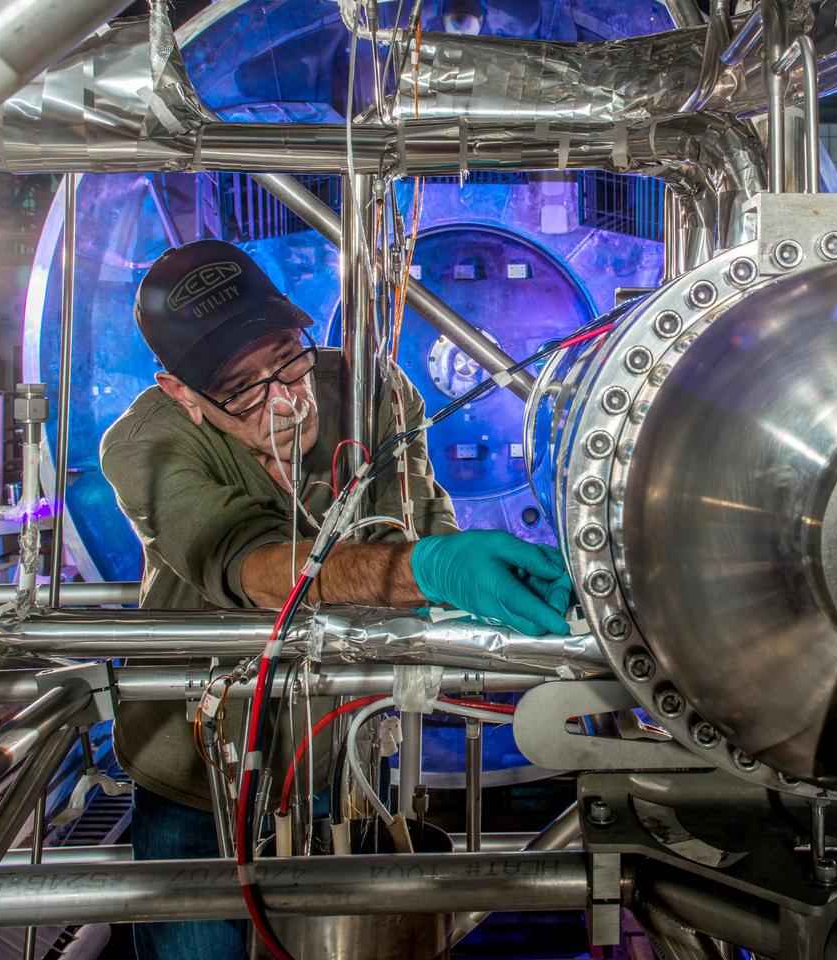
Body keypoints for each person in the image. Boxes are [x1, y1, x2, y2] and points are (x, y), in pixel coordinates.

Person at [100, 239, 571, 959]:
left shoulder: (372, 391)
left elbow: (417, 521)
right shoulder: (145, 442)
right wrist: (431, 569)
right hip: (199, 774)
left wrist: (465, 579)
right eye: (240, 388)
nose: (285, 400)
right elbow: (251, 564)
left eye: (287, 358)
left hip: (343, 759)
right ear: (182, 393)